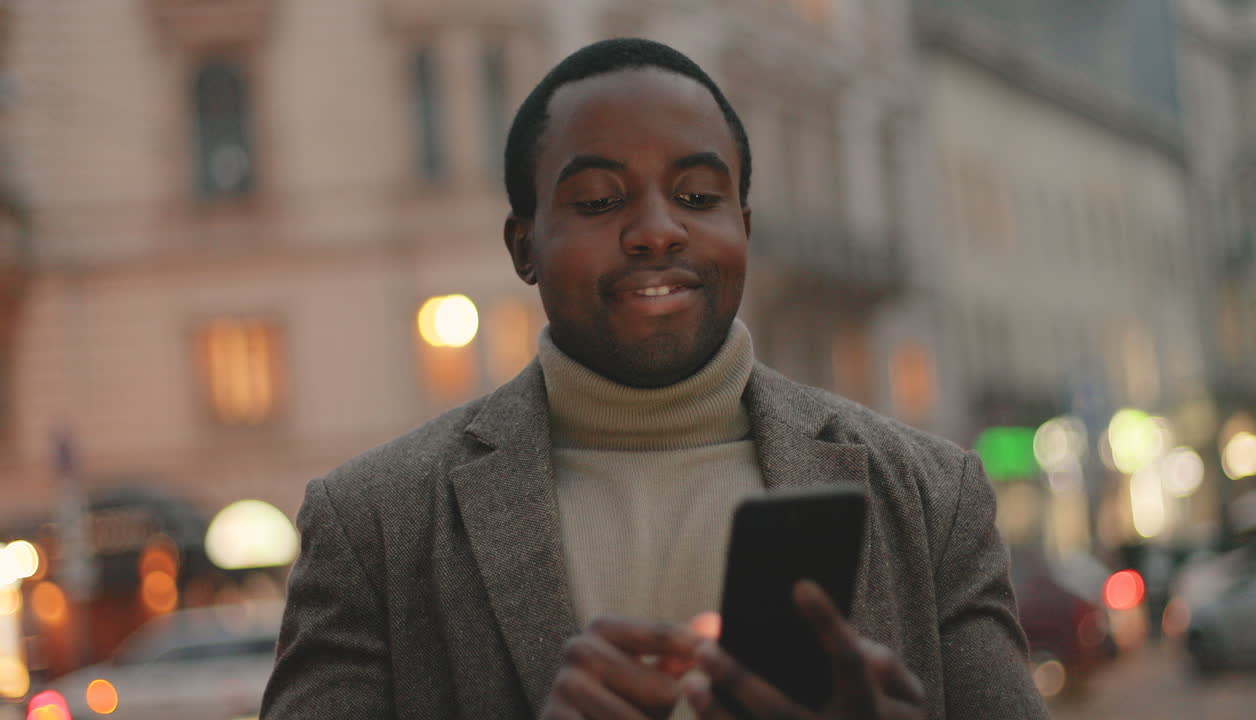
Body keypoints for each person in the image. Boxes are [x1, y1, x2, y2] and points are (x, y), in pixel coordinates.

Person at [260, 38, 1050, 720]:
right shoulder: (373, 525)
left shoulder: (932, 496)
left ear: (744, 224)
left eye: (698, 197)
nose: (656, 231)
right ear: (523, 245)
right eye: (600, 200)